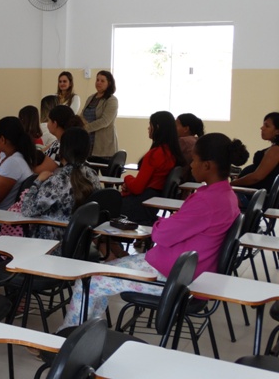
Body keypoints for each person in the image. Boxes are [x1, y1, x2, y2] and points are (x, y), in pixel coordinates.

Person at [58, 132, 249, 330]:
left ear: (207, 165)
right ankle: (87, 333)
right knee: (98, 276)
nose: (191, 165)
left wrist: (163, 222)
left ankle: (67, 338)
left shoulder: (207, 202)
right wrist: (172, 221)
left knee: (88, 281)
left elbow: (160, 235)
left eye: (194, 160)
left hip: (174, 277)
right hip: (184, 271)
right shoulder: (227, 196)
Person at [21, 127, 101, 244]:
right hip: (81, 244)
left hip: (50, 245)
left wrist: (37, 181)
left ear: (61, 150)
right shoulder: (93, 175)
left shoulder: (57, 181)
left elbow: (27, 210)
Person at [120, 111, 185, 226]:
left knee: (103, 204)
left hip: (141, 205)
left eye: (150, 125)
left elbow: (137, 188)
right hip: (153, 206)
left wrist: (127, 178)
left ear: (157, 127)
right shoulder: (172, 153)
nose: (148, 128)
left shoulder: (156, 154)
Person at [231, 112, 279, 194]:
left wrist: (231, 184)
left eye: (267, 126)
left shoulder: (276, 150)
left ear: (277, 131)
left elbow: (257, 177)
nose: (262, 128)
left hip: (253, 196)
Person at [81, 70, 119, 162]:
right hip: (88, 144)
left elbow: (105, 121)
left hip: (104, 146)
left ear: (109, 83)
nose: (99, 83)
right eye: (97, 80)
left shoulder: (111, 100)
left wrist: (85, 128)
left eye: (102, 81)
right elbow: (82, 114)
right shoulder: (91, 98)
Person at [35, 105, 84, 174]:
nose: (47, 123)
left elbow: (41, 170)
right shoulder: (64, 141)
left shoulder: (59, 146)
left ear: (55, 124)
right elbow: (42, 151)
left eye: (48, 120)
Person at [176, 113, 204, 182]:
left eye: (176, 125)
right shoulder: (196, 140)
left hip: (181, 180)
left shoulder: (183, 141)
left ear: (186, 129)